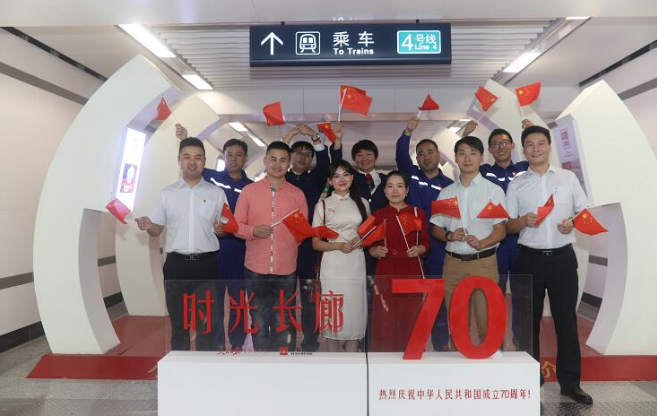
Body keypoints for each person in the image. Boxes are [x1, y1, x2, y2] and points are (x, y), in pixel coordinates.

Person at [506, 126, 593, 405]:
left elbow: (583, 212)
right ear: (523, 150)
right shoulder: (517, 183)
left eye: (540, 143)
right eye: (530, 145)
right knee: (527, 324)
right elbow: (508, 224)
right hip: (528, 259)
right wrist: (523, 221)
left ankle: (571, 385)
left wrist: (572, 224)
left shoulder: (568, 178)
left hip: (563, 259)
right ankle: (529, 381)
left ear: (549, 146)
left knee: (566, 322)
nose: (536, 149)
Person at [136, 137, 227, 351]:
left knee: (207, 325)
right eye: (187, 157)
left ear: (204, 161)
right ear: (179, 160)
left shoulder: (216, 193)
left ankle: (205, 366)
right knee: (179, 325)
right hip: (176, 266)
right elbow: (157, 229)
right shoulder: (166, 194)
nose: (192, 162)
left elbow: (224, 228)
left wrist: (222, 230)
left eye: (197, 157)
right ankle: (180, 367)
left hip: (207, 266)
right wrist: (149, 226)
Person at [175, 124, 253, 351]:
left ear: (245, 159)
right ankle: (217, 343)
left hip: (240, 252)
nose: (233, 159)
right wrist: (184, 137)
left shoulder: (251, 187)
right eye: (229, 155)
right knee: (214, 302)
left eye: (238, 155)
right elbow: (193, 164)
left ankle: (237, 343)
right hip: (214, 252)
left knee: (238, 302)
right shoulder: (212, 178)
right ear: (223, 157)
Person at [462, 119, 533, 345]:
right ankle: (494, 341)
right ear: (490, 150)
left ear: (513, 146)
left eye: (504, 143)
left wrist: (530, 132)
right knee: (493, 293)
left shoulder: (524, 169)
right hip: (494, 242)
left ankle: (520, 340)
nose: (500, 147)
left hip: (521, 241)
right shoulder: (484, 172)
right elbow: (467, 164)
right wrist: (465, 137)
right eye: (495, 144)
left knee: (522, 294)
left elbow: (537, 156)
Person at [431, 136, 507, 346]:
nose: (467, 158)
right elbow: (436, 228)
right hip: (453, 265)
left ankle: (491, 366)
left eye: (473, 153)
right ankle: (459, 363)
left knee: (487, 323)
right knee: (457, 325)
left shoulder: (493, 191)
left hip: (483, 263)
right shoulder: (446, 193)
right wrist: (449, 236)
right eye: (462, 153)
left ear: (481, 158)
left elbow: (501, 230)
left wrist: (482, 243)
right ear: (455, 157)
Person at [234, 141, 307, 352]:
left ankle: (283, 365)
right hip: (255, 269)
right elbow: (236, 226)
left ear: (289, 163)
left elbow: (302, 233)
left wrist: (287, 242)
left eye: (283, 160)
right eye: (273, 159)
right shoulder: (249, 191)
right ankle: (262, 364)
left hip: (286, 270)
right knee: (258, 321)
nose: (277, 164)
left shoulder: (297, 195)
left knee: (283, 322)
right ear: (265, 161)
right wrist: (253, 231)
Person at [282, 122, 343, 351]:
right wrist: (288, 136)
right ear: (290, 156)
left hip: (309, 249)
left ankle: (310, 341)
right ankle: (286, 341)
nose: (303, 157)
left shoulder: (315, 179)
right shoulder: (280, 178)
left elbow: (328, 164)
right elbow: (275, 156)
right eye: (298, 152)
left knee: (309, 300)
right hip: (284, 246)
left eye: (308, 154)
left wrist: (317, 140)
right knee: (286, 299)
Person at [396, 116, 454, 351]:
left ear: (438, 154)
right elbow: (401, 156)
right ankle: (408, 342)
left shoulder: (449, 185)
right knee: (409, 296)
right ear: (417, 158)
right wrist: (407, 133)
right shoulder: (411, 177)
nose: (426, 156)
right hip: (412, 245)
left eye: (430, 152)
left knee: (437, 295)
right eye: (421, 153)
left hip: (439, 247)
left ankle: (440, 344)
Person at [368, 171, 430, 352]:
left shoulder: (418, 213)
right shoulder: (377, 215)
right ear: (384, 191)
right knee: (385, 315)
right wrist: (375, 251)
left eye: (400, 186)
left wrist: (419, 249)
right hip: (386, 269)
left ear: (407, 190)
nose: (395, 191)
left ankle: (411, 354)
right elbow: (369, 245)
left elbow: (426, 243)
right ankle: (385, 357)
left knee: (410, 314)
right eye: (390, 186)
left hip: (410, 269)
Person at [312, 160, 370, 352]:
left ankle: (352, 359)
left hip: (356, 262)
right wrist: (338, 245)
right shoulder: (322, 205)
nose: (341, 179)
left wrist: (361, 241)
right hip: (333, 264)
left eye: (345, 174)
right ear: (330, 181)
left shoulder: (363, 204)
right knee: (333, 313)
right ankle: (333, 361)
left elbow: (368, 236)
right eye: (336, 176)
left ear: (352, 177)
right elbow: (315, 243)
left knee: (354, 312)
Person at [351, 139, 388, 213]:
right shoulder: (350, 180)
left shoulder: (387, 180)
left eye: (368, 154)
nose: (364, 159)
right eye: (359, 155)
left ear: (376, 157)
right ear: (354, 159)